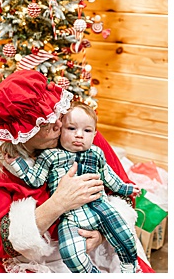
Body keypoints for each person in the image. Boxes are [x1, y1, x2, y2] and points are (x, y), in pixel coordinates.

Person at [0, 69, 154, 273]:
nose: (59, 123)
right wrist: (58, 203)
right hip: (39, 262)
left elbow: (122, 190)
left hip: (99, 241)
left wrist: (102, 234)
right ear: (23, 133)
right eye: (45, 124)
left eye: (54, 113)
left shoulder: (78, 135)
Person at [8, 101, 139, 273]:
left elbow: (110, 177)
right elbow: (35, 179)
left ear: (94, 134)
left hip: (100, 206)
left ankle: (129, 265)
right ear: (61, 130)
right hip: (69, 217)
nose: (79, 135)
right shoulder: (50, 156)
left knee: (124, 235)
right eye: (71, 129)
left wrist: (127, 189)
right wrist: (18, 163)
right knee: (70, 254)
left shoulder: (96, 152)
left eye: (86, 131)